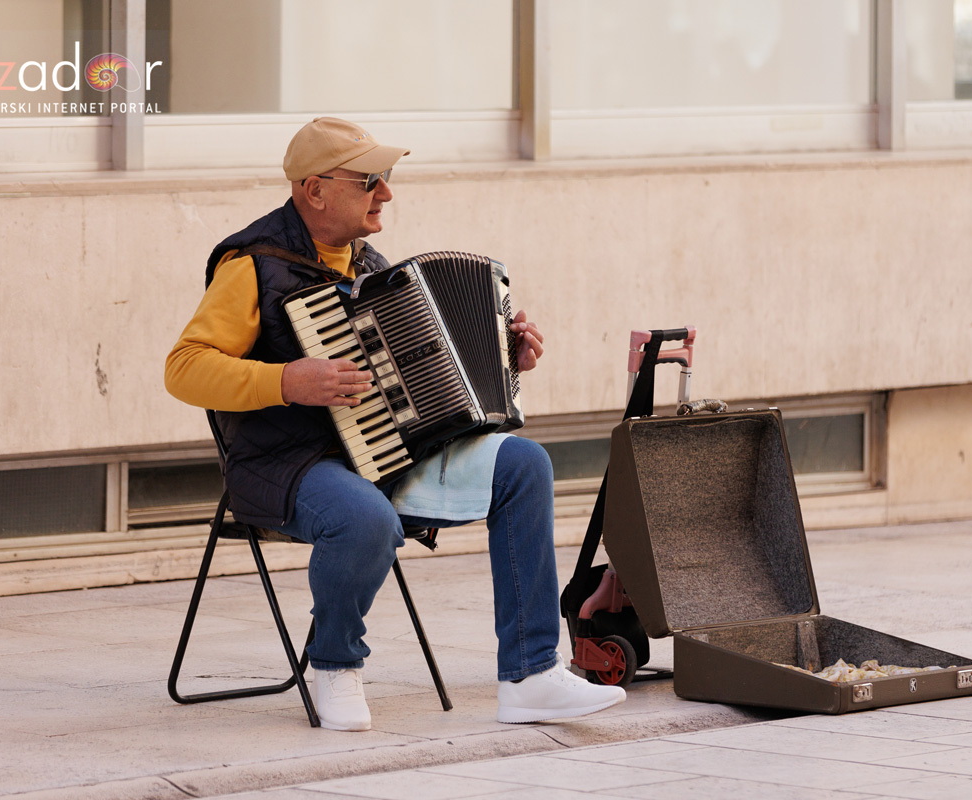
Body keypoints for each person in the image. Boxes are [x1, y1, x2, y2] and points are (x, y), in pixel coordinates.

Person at [164, 117, 626, 731]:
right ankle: (334, 664)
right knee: (366, 518)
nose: (385, 192)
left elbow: (425, 385)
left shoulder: (373, 267)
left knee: (523, 464)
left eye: (385, 178)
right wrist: (286, 380)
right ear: (314, 189)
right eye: (370, 180)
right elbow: (183, 368)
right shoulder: (251, 265)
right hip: (286, 464)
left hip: (384, 455)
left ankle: (530, 676)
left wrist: (503, 360)